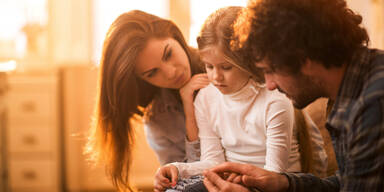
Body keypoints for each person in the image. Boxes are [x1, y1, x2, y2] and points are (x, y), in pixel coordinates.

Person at [203, 0, 384, 191]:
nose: (270, 85)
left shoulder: (374, 105)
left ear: (304, 58)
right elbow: (345, 182)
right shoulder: (349, 89)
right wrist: (285, 183)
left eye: (270, 70)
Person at [154, 6, 326, 192]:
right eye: (209, 66)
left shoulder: (275, 100)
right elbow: (213, 161)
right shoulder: (205, 97)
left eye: (226, 67)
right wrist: (178, 168)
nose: (216, 77)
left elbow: (274, 174)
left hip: (270, 182)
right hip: (232, 181)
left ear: (248, 61)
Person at [85, 10, 209, 191]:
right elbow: (188, 178)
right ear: (141, 80)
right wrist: (168, 177)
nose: (171, 72)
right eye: (152, 73)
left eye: (168, 54)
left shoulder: (223, 66)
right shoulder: (158, 119)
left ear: (175, 36)